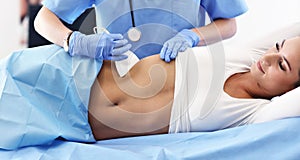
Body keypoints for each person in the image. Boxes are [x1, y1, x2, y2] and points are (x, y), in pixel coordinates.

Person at [0, 22, 300, 150]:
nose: (270, 58)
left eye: (283, 65)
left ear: (291, 90)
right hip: (69, 71)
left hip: (70, 121)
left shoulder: (253, 114)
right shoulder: (245, 55)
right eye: (277, 47)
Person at [33, 0, 248, 62]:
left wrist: (193, 37)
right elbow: (43, 20)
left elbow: (229, 23)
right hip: (113, 82)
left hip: (181, 84)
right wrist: (75, 41)